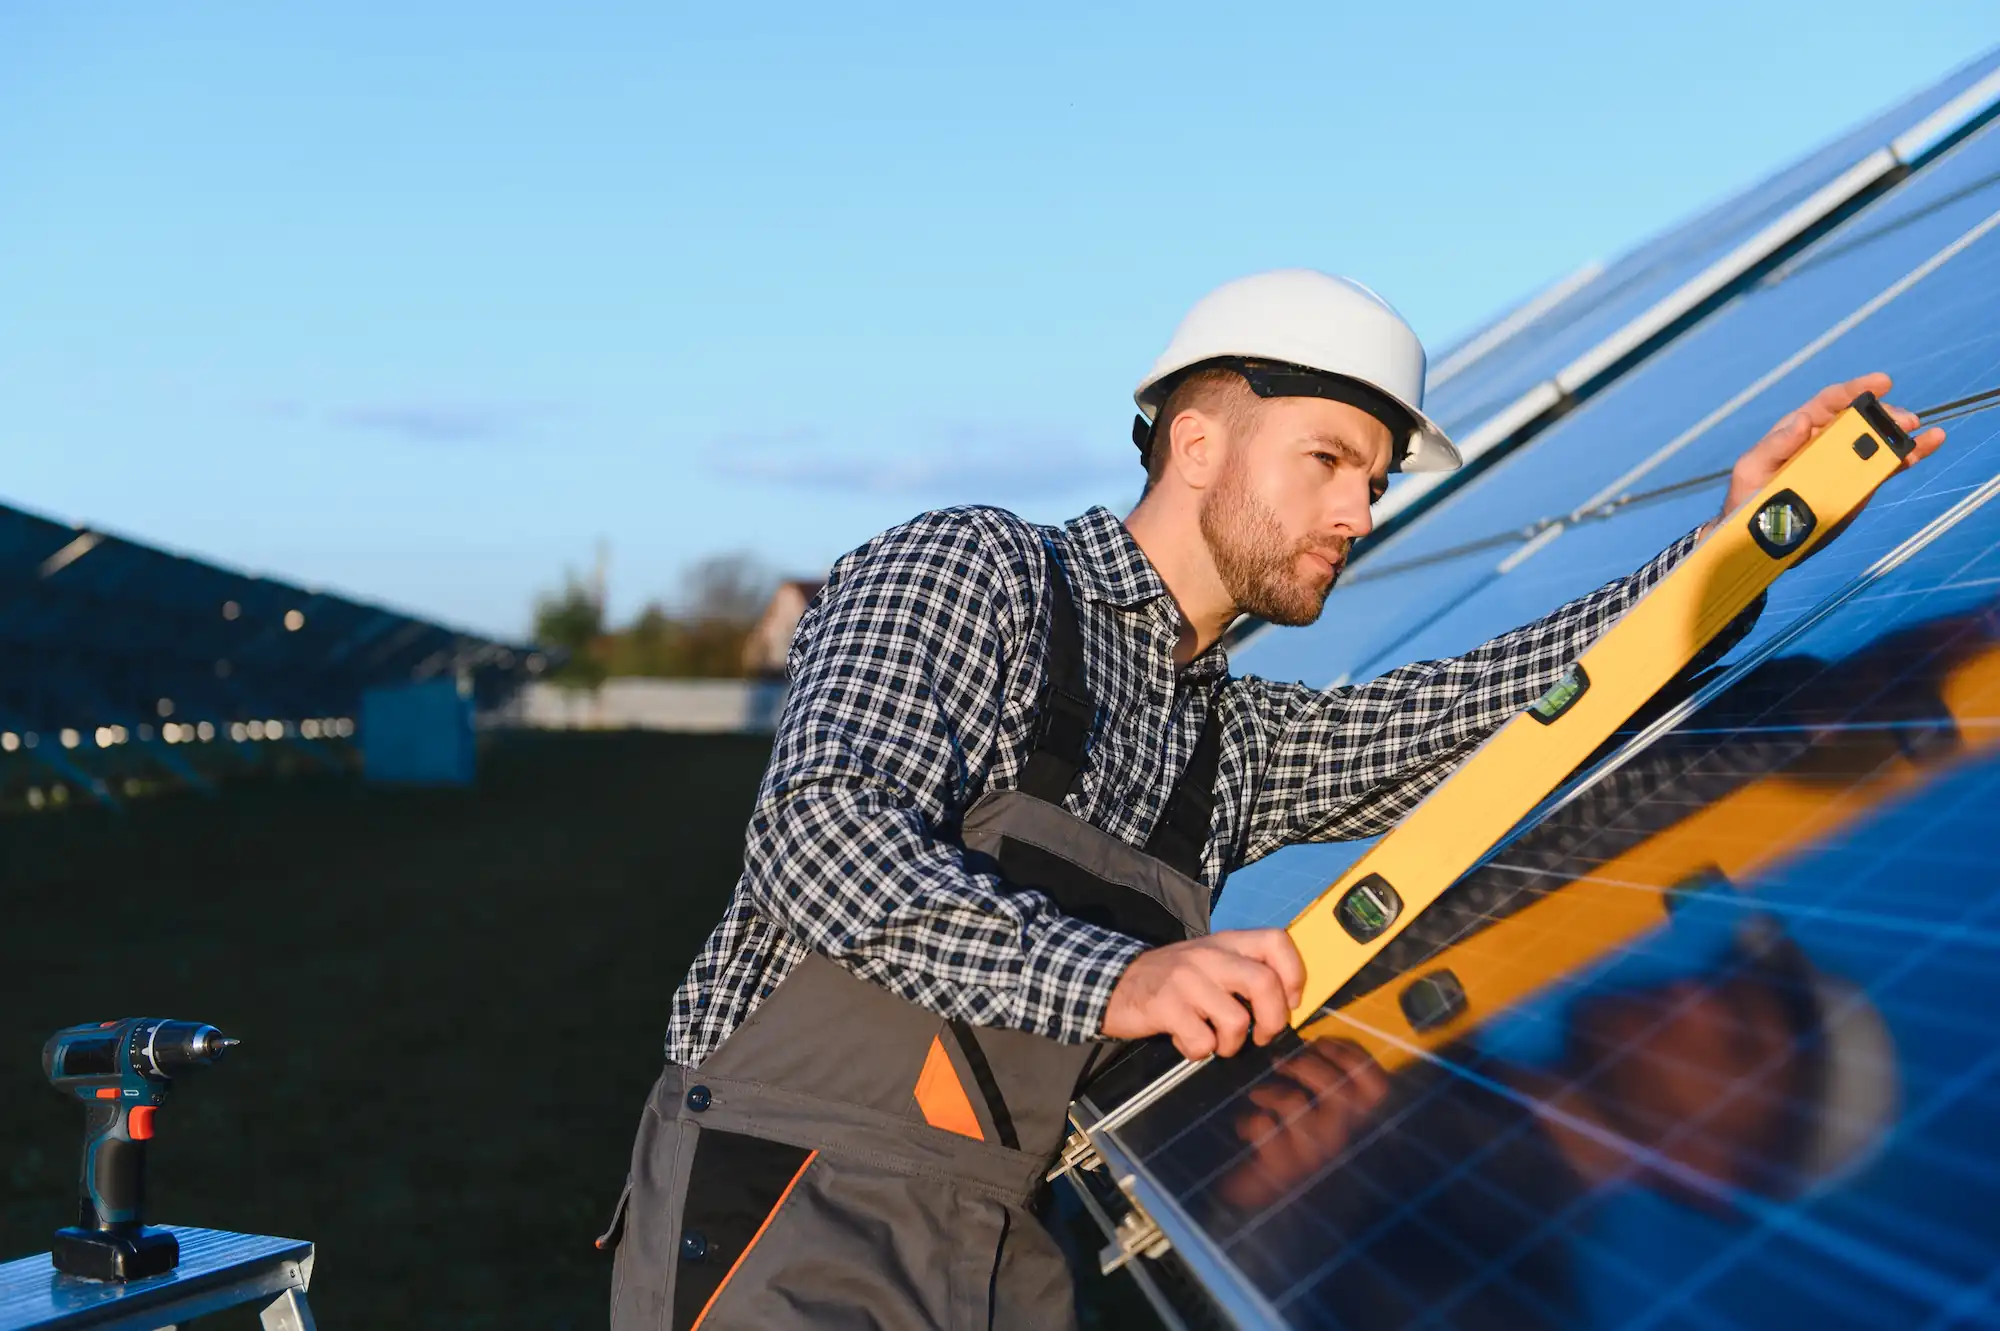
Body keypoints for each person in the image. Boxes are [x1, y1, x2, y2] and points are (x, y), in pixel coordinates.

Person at [598, 268, 1945, 1330]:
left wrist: (1727, 555)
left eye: (1373, 476)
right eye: (1327, 460)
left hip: (1004, 1242)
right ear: (1195, 439)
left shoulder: (1221, 741)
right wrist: (1121, 981)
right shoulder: (977, 573)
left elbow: (1469, 716)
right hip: (794, 1205)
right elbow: (822, 835)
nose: (1360, 513)